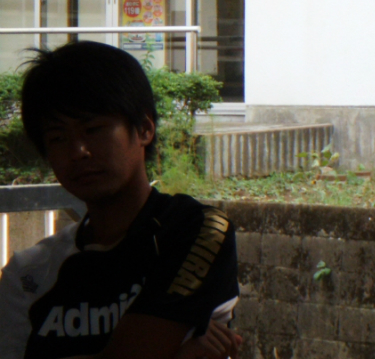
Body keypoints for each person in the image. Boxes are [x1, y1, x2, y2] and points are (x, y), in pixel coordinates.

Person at [0, 41, 241, 359]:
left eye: (93, 129)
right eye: (58, 138)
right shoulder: (27, 274)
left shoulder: (196, 230)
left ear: (144, 129)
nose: (78, 151)